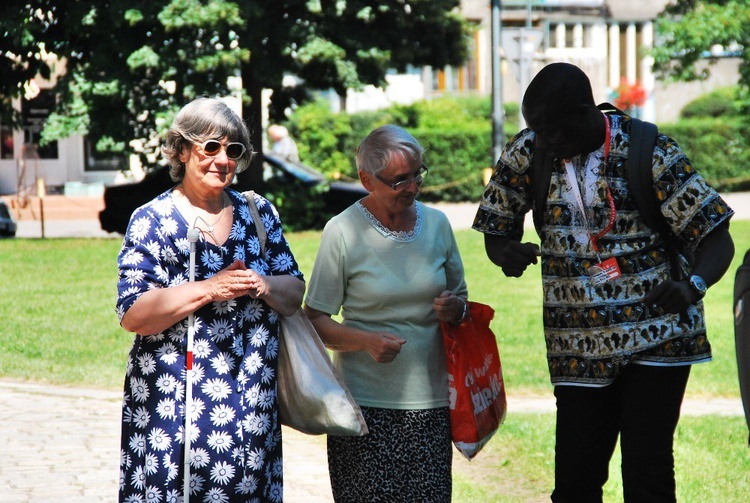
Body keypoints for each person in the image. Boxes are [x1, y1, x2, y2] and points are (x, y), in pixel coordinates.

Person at [473, 62, 735, 502]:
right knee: (575, 482)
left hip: (658, 337)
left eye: (551, 131)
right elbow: (497, 229)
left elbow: (715, 236)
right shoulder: (531, 149)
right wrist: (506, 253)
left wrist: (692, 285)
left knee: (647, 476)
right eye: (535, 129)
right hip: (575, 345)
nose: (544, 141)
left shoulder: (650, 151)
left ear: (582, 112)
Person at [116, 97, 305, 502]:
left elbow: (294, 293)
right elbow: (134, 314)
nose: (222, 159)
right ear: (182, 151)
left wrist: (262, 283)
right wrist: (209, 288)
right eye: (210, 147)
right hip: (173, 409)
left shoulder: (259, 213)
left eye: (233, 150)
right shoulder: (153, 220)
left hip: (251, 406)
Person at [303, 124, 468, 502]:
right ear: (366, 180)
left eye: (416, 175)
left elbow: (461, 300)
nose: (411, 188)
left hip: (431, 402)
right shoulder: (342, 231)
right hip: (363, 408)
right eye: (398, 181)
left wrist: (455, 308)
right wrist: (366, 342)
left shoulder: (438, 224)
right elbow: (314, 319)